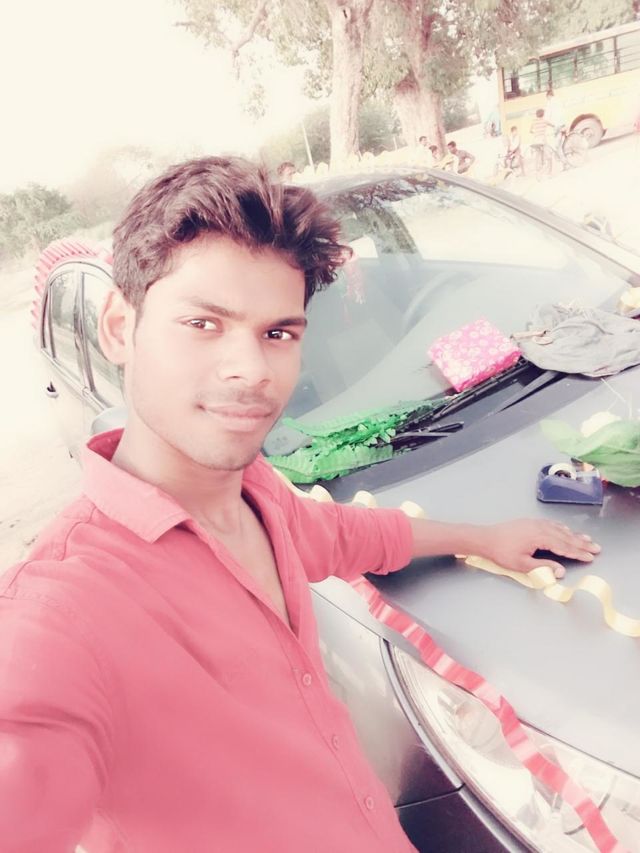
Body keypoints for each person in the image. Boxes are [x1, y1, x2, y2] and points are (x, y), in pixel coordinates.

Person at [0, 156, 600, 853]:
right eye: (203, 323)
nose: (251, 370)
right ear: (118, 327)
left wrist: (485, 536)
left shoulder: (260, 499)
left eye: (278, 333)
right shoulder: (64, 610)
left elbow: (350, 533)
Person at [530, 107, 555, 175]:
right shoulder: (545, 121)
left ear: (536, 115)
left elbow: (530, 131)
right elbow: (553, 125)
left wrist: (535, 132)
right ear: (543, 114)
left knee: (538, 153)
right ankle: (550, 172)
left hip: (535, 141)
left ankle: (537, 168)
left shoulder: (534, 121)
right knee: (549, 156)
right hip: (542, 140)